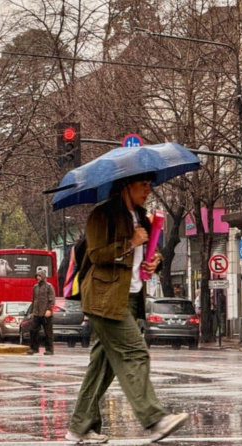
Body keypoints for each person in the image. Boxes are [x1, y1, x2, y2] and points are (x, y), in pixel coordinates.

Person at [67, 173, 189, 445]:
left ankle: (80, 426)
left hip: (131, 296)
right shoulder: (103, 215)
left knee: (104, 364)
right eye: (142, 185)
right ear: (126, 186)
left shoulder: (142, 217)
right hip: (104, 296)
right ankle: (154, 419)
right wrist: (130, 243)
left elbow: (142, 259)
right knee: (135, 352)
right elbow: (97, 254)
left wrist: (153, 261)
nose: (148, 190)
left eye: (149, 185)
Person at [26, 271, 56, 356]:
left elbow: (52, 299)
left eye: (39, 276)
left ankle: (49, 349)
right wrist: (32, 311)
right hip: (36, 313)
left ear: (43, 276)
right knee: (33, 330)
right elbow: (33, 300)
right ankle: (34, 348)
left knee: (48, 332)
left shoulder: (49, 287)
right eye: (37, 276)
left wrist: (49, 310)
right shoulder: (35, 287)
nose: (38, 277)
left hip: (46, 313)